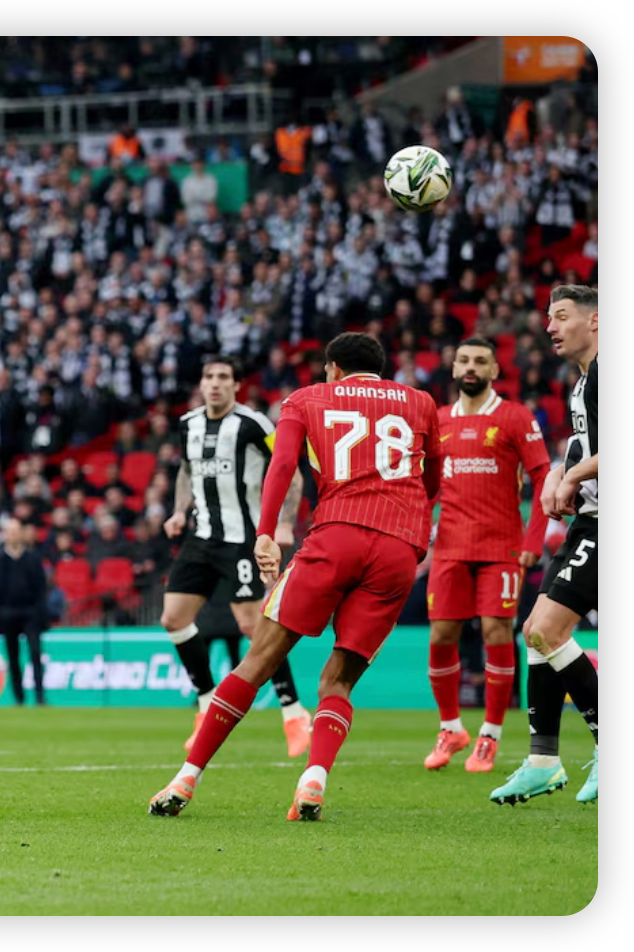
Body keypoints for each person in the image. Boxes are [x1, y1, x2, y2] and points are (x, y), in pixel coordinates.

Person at [150, 332, 443, 821]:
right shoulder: (420, 401)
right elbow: (432, 475)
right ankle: (314, 779)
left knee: (257, 660)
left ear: (332, 368)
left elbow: (283, 463)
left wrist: (266, 533)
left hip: (336, 536)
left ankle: (187, 777)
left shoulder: (305, 399)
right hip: (398, 548)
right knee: (338, 682)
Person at [162, 356, 312, 758]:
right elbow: (186, 470)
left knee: (252, 626)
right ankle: (206, 702)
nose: (215, 383)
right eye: (208, 376)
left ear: (236, 385)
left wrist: (284, 523)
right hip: (201, 537)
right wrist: (179, 511)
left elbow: (291, 470)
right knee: (173, 618)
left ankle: (294, 712)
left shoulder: (254, 424)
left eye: (223, 377)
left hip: (241, 539)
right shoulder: (188, 424)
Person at [491, 285, 599, 805]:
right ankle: (542, 760)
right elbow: (582, 445)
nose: (550, 327)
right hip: (588, 521)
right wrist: (562, 471)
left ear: (594, 322)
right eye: (548, 317)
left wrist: (571, 474)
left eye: (561, 316)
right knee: (535, 630)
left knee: (549, 630)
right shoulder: (580, 383)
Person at [423, 338, 550, 773]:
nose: (471, 367)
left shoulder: (515, 417)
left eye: (480, 361)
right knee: (441, 635)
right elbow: (429, 488)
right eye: (464, 360)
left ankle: (490, 735)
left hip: (500, 548)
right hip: (450, 549)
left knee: (497, 630)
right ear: (453, 367)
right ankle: (451, 728)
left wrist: (534, 542)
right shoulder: (437, 421)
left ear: (495, 370)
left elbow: (543, 477)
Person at [0, 515, 48, 706]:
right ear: (5, 535)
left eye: (17, 531)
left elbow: (41, 587)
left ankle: (40, 696)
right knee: (13, 657)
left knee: (35, 653)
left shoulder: (32, 559)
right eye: (10, 532)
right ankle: (18, 698)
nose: (14, 535)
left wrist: (38, 611)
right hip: (8, 614)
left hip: (30, 614)